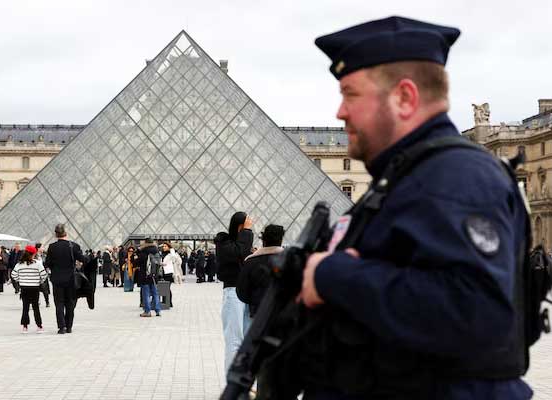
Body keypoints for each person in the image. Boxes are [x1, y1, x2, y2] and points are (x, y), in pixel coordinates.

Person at [295, 16, 532, 399]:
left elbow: (476, 312)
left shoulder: (456, 177)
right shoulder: (407, 179)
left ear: (404, 97)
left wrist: (334, 275)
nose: (340, 112)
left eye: (351, 94)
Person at [215, 212, 253, 373]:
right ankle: (233, 387)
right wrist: (247, 231)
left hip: (246, 295)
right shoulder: (224, 242)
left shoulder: (241, 244)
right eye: (248, 224)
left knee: (246, 341)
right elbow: (238, 252)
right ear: (240, 226)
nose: (251, 226)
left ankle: (243, 385)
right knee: (234, 340)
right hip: (233, 293)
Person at [44, 224, 89, 334]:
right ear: (66, 233)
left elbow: (47, 263)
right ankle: (69, 327)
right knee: (70, 303)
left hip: (57, 280)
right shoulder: (73, 246)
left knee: (59, 303)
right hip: (70, 279)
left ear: (56, 234)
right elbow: (83, 259)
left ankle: (61, 327)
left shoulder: (52, 247)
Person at [236, 224, 284, 318]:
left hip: (258, 313)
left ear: (263, 240)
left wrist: (254, 301)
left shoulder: (250, 262)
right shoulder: (291, 261)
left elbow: (241, 292)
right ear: (281, 240)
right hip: (283, 314)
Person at [11, 245, 48, 334]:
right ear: (33, 254)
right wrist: (39, 281)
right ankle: (39, 326)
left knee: (25, 308)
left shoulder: (19, 264)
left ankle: (25, 327)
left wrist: (20, 280)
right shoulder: (37, 264)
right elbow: (44, 275)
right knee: (36, 308)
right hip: (35, 288)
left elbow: (13, 275)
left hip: (24, 288)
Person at [136, 238, 162, 317]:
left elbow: (139, 262)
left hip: (145, 275)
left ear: (145, 243)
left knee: (146, 294)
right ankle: (158, 310)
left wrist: (138, 252)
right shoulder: (156, 250)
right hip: (154, 275)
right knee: (155, 293)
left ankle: (147, 311)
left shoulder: (144, 251)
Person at [35, 243, 50, 307]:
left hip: (43, 274)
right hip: (36, 275)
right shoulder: (34, 255)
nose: (43, 248)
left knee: (45, 289)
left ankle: (47, 301)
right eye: (42, 247)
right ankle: (37, 301)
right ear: (38, 248)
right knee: (36, 289)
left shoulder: (45, 255)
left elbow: (47, 264)